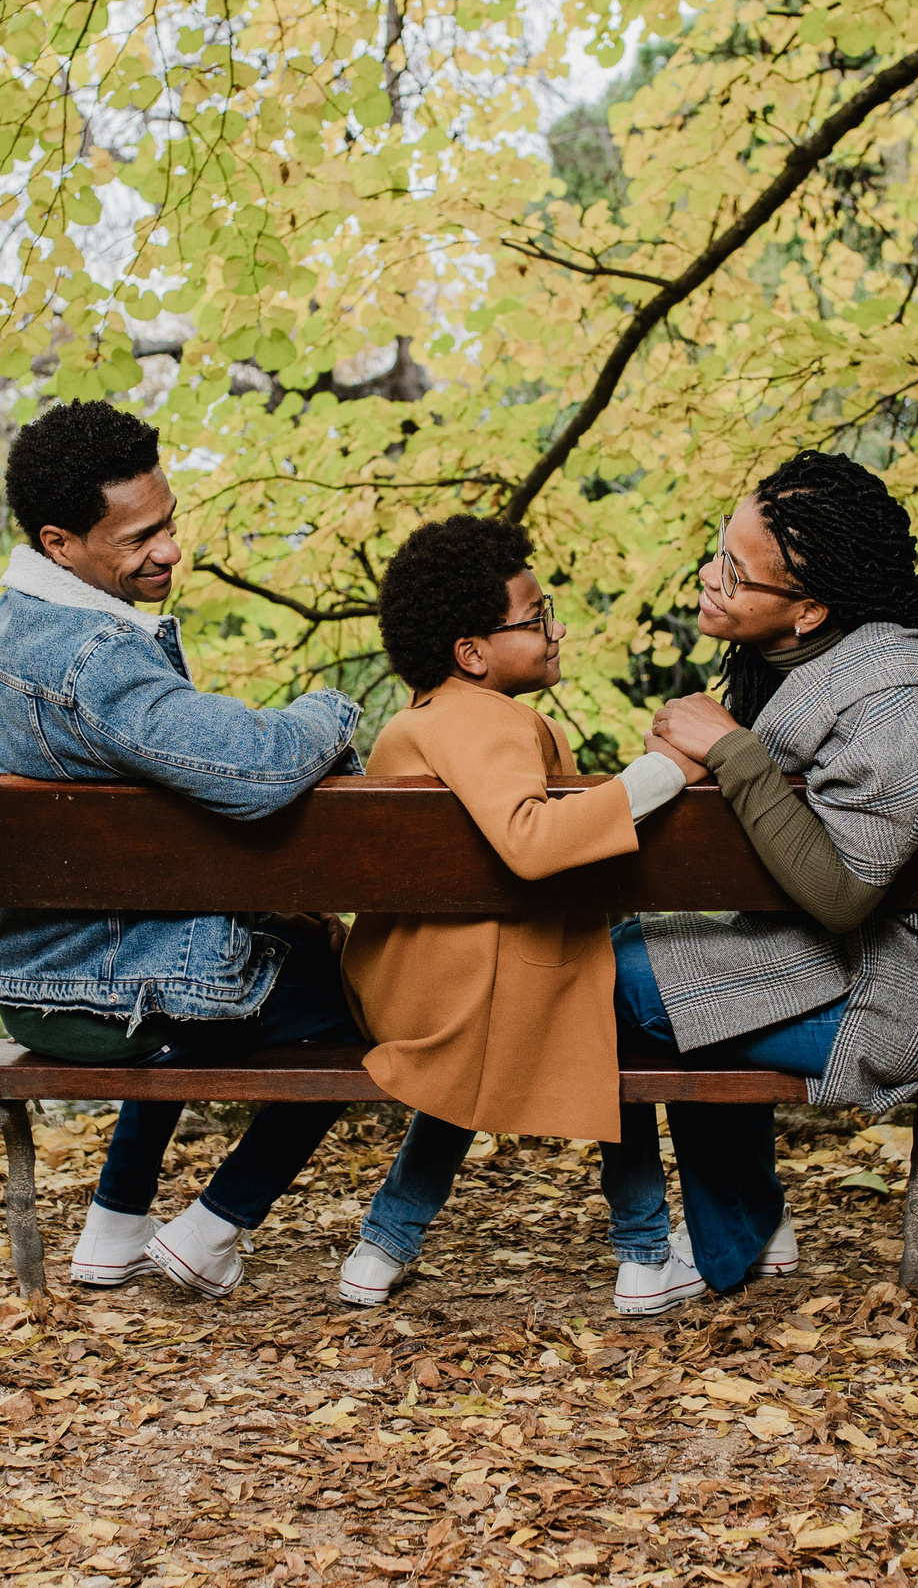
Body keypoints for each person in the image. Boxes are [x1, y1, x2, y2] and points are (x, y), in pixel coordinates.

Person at [0, 399, 365, 1301]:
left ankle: (115, 1223)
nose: (170, 550)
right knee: (359, 1007)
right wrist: (332, 709)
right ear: (60, 543)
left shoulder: (7, 625)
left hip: (35, 967)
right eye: (140, 537)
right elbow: (258, 768)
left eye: (169, 522)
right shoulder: (94, 658)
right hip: (90, 987)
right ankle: (213, 1229)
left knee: (239, 950)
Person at [623, 450, 918, 1303]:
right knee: (652, 958)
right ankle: (746, 1228)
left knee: (620, 980)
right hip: (884, 965)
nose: (708, 575)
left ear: (810, 610)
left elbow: (841, 893)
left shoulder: (901, 701)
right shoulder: (818, 671)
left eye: (734, 572)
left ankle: (712, 1241)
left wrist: (732, 752)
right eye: (718, 548)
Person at [327, 518, 700, 1309]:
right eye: (536, 618)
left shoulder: (422, 718)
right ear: (472, 652)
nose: (555, 629)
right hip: (478, 991)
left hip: (421, 985)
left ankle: (381, 1245)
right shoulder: (486, 719)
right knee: (606, 1013)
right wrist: (660, 773)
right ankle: (644, 1254)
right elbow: (529, 841)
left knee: (490, 1052)